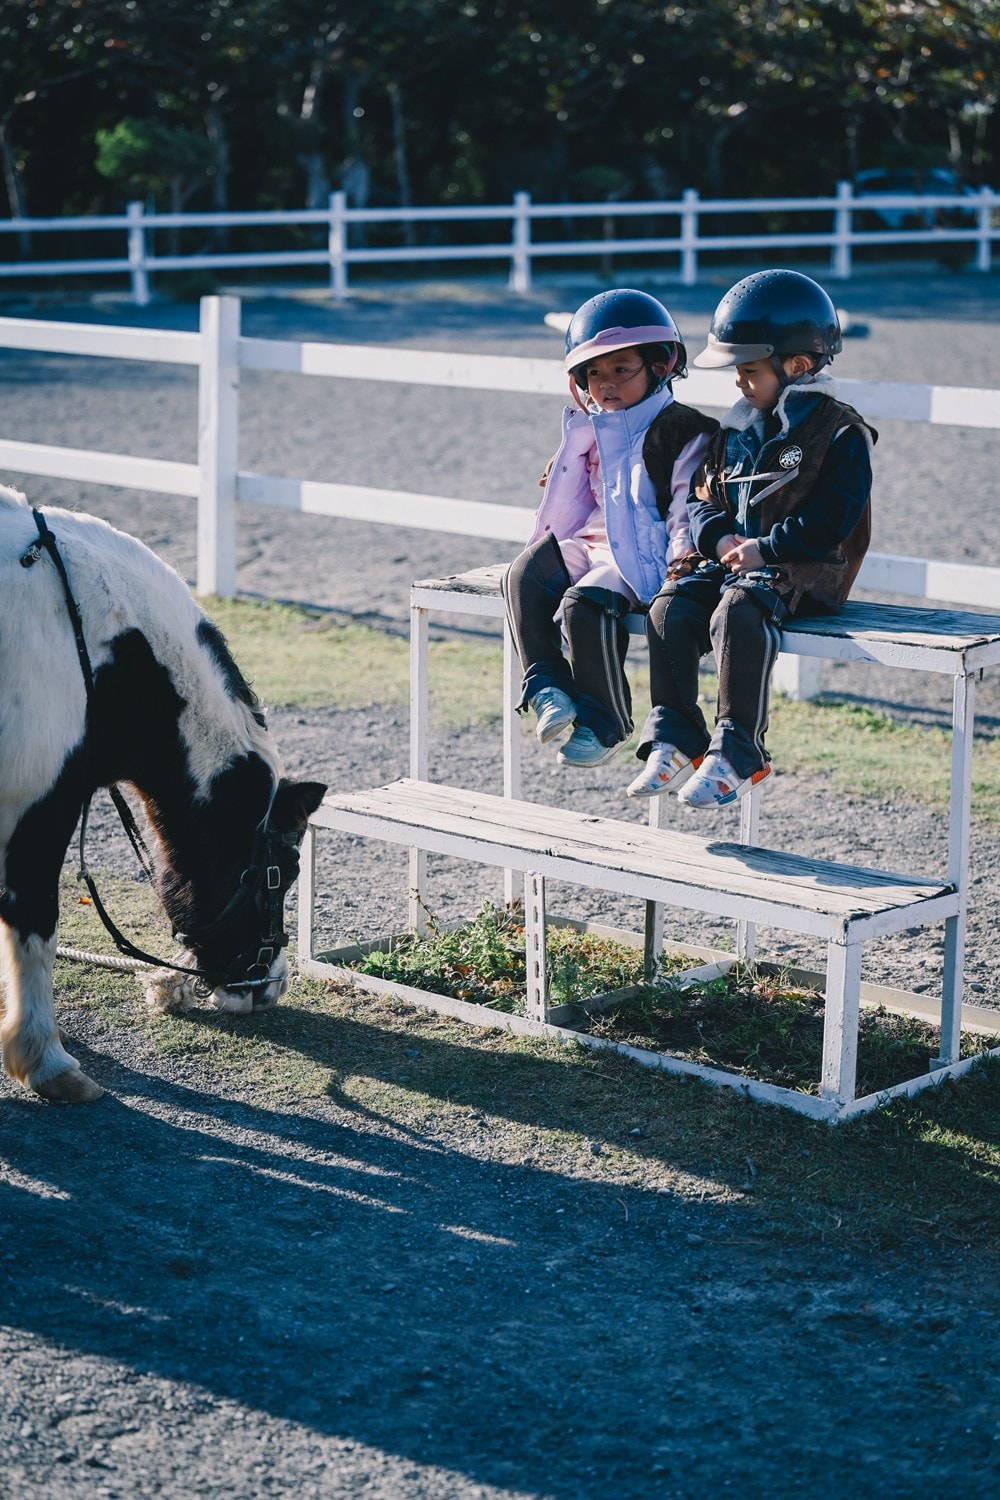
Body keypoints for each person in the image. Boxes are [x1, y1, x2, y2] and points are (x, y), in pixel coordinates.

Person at [629, 268, 877, 807]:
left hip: (806, 569)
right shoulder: (737, 428)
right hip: (740, 565)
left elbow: (832, 520)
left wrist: (765, 548)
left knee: (736, 610)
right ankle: (675, 732)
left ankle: (738, 748)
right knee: (670, 606)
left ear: (798, 365)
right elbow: (701, 497)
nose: (739, 382)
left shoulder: (840, 432)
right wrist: (717, 540)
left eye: (749, 370)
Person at [501, 289, 718, 769]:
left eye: (622, 369)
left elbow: (687, 503)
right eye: (594, 373)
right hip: (593, 542)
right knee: (523, 575)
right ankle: (547, 686)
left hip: (641, 553)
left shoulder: (685, 430)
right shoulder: (591, 428)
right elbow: (572, 499)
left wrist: (683, 562)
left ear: (661, 365)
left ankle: (605, 721)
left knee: (583, 605)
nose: (606, 384)